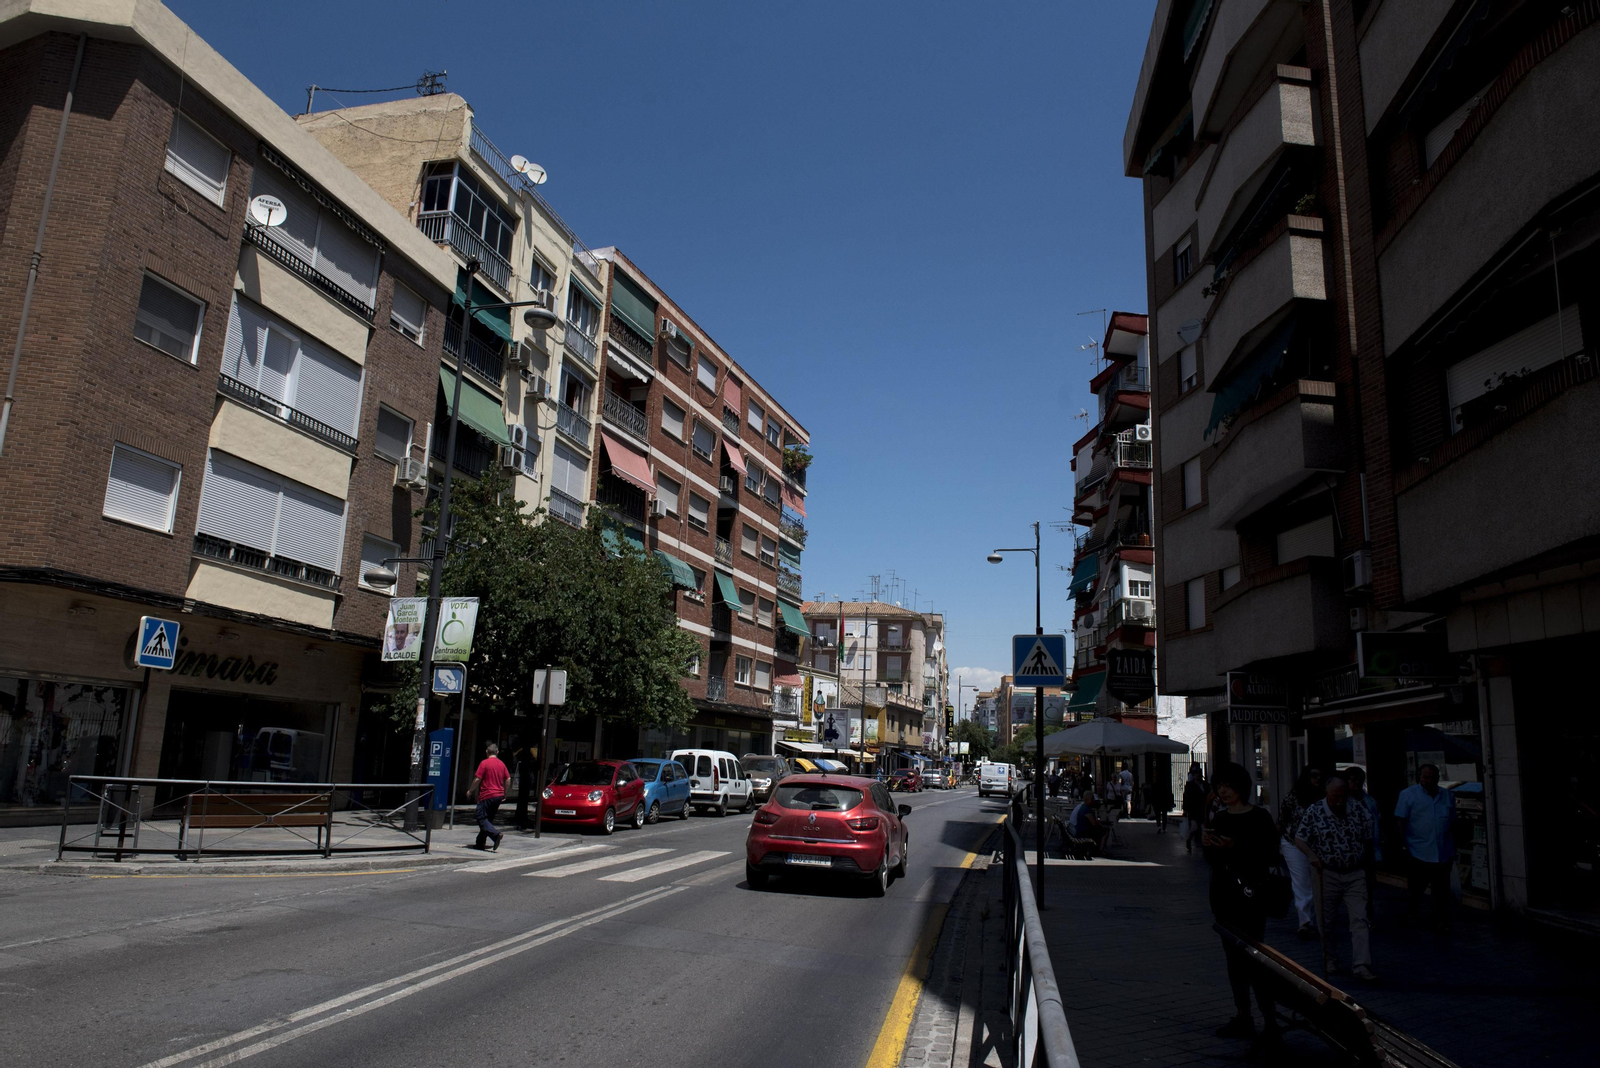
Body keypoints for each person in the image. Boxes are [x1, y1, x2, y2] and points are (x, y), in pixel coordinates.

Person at [1202, 761, 1281, 1044]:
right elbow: (1211, 860)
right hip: (1224, 896)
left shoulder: (1259, 817)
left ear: (1241, 788)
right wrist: (1209, 844)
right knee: (1233, 960)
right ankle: (1243, 1014)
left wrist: (1235, 847)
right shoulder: (1220, 818)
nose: (1223, 791)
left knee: (1254, 956)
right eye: (1219, 786)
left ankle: (1269, 1017)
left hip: (1250, 897)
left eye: (1228, 786)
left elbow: (1270, 853)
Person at [1295, 776, 1377, 981]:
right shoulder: (1315, 811)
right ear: (1327, 793)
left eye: (1342, 796)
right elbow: (1300, 838)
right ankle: (1330, 957)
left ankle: (1361, 965)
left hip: (1354, 872)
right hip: (1327, 872)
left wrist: (1369, 872)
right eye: (1334, 796)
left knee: (1360, 919)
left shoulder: (1359, 810)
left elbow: (1368, 841)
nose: (1339, 801)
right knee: (1326, 920)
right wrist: (1312, 856)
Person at [1394, 763, 1456, 931]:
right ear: (1419, 778)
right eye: (1425, 777)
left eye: (1433, 777)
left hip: (1443, 852)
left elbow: (1452, 822)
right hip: (1418, 851)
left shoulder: (1447, 795)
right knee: (1416, 890)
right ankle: (1413, 916)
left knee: (1441, 891)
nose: (1429, 781)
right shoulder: (1408, 795)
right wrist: (1404, 846)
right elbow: (1400, 820)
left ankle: (1439, 920)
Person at [1278, 767, 1324, 938]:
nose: (1317, 779)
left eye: (1320, 776)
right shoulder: (1294, 796)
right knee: (1302, 881)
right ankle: (1305, 921)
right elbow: (1282, 820)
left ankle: (1317, 918)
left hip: (1318, 844)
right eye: (1314, 776)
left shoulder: (1324, 797)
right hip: (1293, 843)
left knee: (1317, 881)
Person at [1344, 766, 1383, 926]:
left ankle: (1366, 915)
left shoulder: (1369, 801)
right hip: (1349, 850)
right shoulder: (1343, 801)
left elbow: (1376, 826)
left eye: (1360, 780)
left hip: (1368, 849)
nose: (1357, 783)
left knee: (1367, 885)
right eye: (1353, 780)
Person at [468, 742, 509, 851]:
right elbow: (508, 779)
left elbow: (477, 779)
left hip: (486, 795)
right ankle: (480, 842)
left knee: (480, 817)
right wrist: (505, 792)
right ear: (497, 752)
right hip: (498, 795)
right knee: (488, 819)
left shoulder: (484, 763)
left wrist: (471, 791)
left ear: (486, 752)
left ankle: (495, 835)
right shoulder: (502, 764)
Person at [1182, 766, 1209, 853]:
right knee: (1194, 827)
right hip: (1193, 810)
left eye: (1198, 774)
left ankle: (1204, 844)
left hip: (1203, 809)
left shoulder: (1205, 785)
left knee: (1203, 827)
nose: (1197, 776)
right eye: (1195, 774)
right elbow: (1186, 797)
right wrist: (1185, 809)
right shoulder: (1190, 785)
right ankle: (1188, 839)